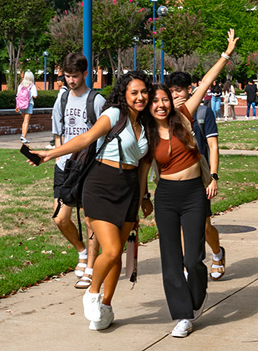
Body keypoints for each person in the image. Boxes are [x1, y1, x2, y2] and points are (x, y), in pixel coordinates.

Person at [32, 71, 152, 331]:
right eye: (134, 92)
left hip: (129, 190)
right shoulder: (114, 115)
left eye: (144, 92)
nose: (140, 97)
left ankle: (106, 308)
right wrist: (50, 153)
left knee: (117, 253)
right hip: (101, 185)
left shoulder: (146, 125)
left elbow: (143, 167)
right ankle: (92, 293)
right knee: (109, 250)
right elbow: (85, 138)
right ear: (124, 94)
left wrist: (143, 197)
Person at [147, 30, 238, 338]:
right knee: (171, 259)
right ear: (149, 106)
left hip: (193, 193)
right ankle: (183, 315)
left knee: (192, 259)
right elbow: (140, 168)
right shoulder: (146, 133)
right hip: (166, 196)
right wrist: (141, 197)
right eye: (156, 101)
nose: (161, 105)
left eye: (165, 100)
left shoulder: (185, 116)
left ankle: (197, 296)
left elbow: (207, 82)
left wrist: (226, 54)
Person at [50, 53, 105, 289]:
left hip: (90, 167)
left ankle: (91, 268)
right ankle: (81, 251)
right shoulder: (61, 100)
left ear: (85, 74)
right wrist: (57, 157)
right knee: (60, 218)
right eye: (67, 76)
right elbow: (57, 133)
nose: (70, 80)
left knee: (91, 221)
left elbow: (104, 136)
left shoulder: (96, 100)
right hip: (65, 167)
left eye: (74, 76)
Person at [167, 71, 226, 282]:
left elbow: (213, 146)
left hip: (200, 177)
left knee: (204, 225)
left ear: (189, 90)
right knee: (183, 224)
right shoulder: (166, 116)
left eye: (179, 90)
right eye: (171, 91)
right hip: (177, 179)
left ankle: (217, 253)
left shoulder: (203, 113)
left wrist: (214, 176)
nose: (175, 95)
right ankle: (186, 266)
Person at [16, 70, 38, 143]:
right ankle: (23, 137)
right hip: (29, 104)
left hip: (21, 105)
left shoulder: (21, 85)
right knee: (26, 122)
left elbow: (17, 96)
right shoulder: (32, 85)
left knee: (24, 121)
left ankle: (23, 135)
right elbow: (35, 96)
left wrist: (17, 106)